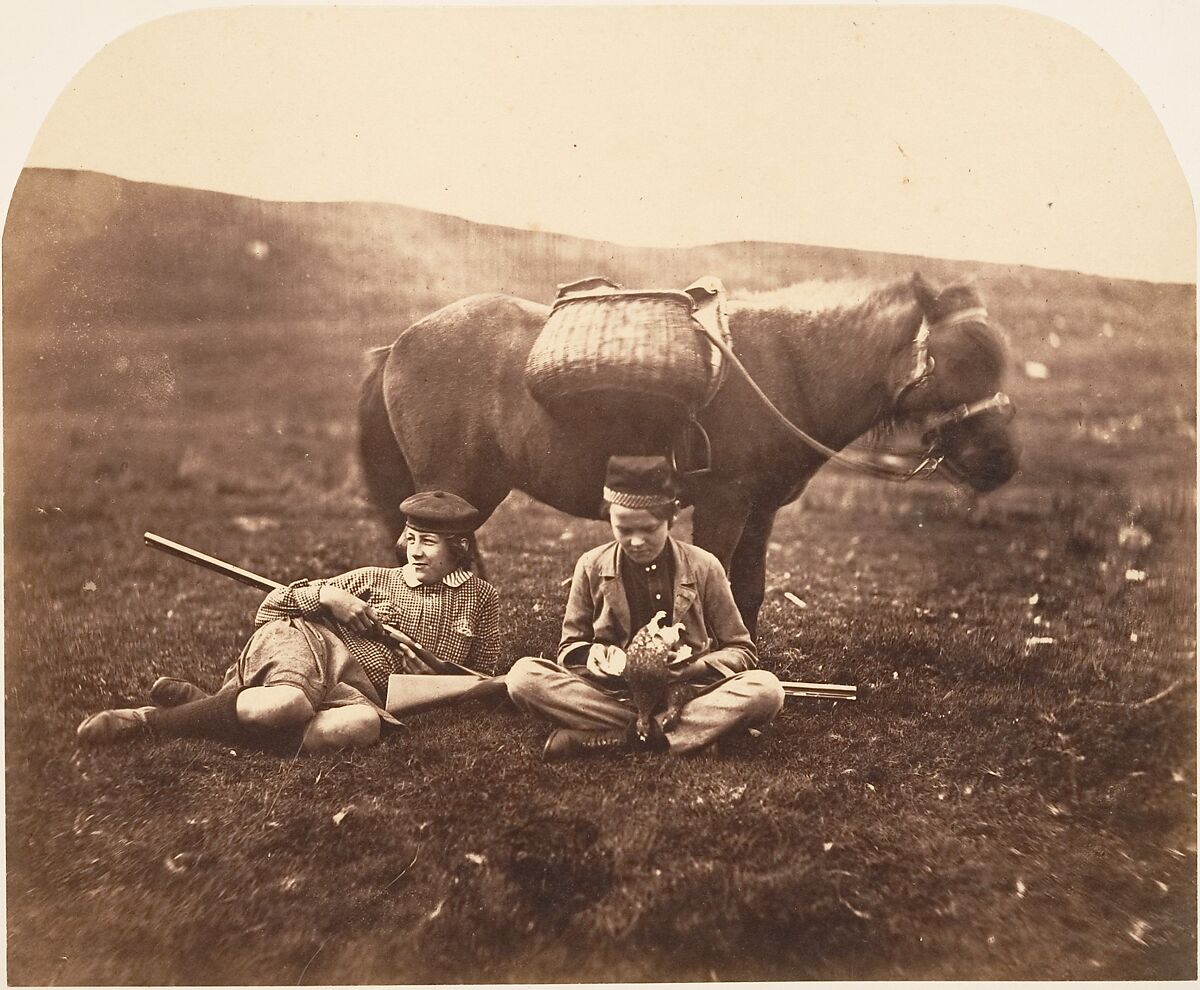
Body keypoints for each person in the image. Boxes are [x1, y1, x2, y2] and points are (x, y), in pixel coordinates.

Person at [76, 491, 501, 752]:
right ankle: (148, 720)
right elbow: (272, 609)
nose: (416, 551)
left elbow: (486, 676)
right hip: (306, 646)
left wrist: (440, 678)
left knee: (361, 727)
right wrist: (329, 596)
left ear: (459, 548)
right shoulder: (374, 578)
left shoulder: (481, 599)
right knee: (288, 704)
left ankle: (204, 706)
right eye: (412, 539)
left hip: (354, 692)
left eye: (429, 542)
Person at [507, 456, 784, 760]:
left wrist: (692, 666)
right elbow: (570, 648)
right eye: (623, 529)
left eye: (649, 529)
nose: (636, 541)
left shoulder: (705, 566)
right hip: (615, 693)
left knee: (767, 690)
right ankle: (683, 735)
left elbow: (742, 650)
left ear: (671, 519)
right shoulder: (591, 566)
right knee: (523, 677)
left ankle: (617, 737)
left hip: (688, 694)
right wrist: (595, 656)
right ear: (608, 518)